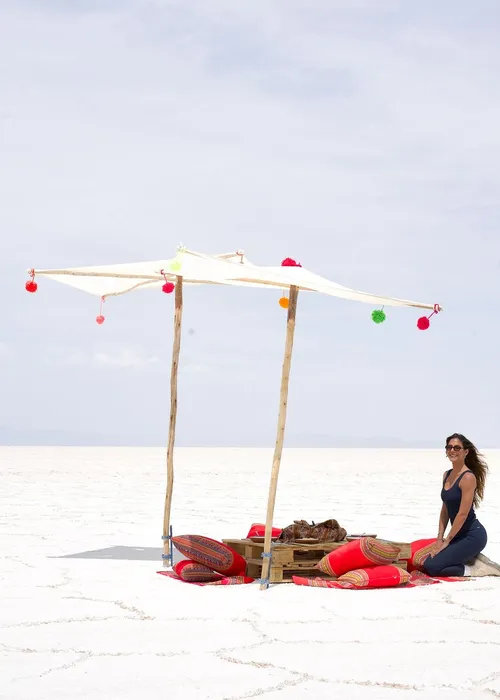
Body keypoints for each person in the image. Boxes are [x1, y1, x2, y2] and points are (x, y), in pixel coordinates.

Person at [423, 433, 499, 578]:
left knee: (433, 567)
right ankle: (469, 559)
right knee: (427, 563)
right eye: (449, 447)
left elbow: (462, 514)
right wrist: (439, 539)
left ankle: (477, 569)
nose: (452, 450)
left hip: (472, 535)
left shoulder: (468, 477)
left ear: (465, 452)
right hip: (457, 535)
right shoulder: (447, 475)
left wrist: (447, 542)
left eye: (457, 448)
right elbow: (445, 510)